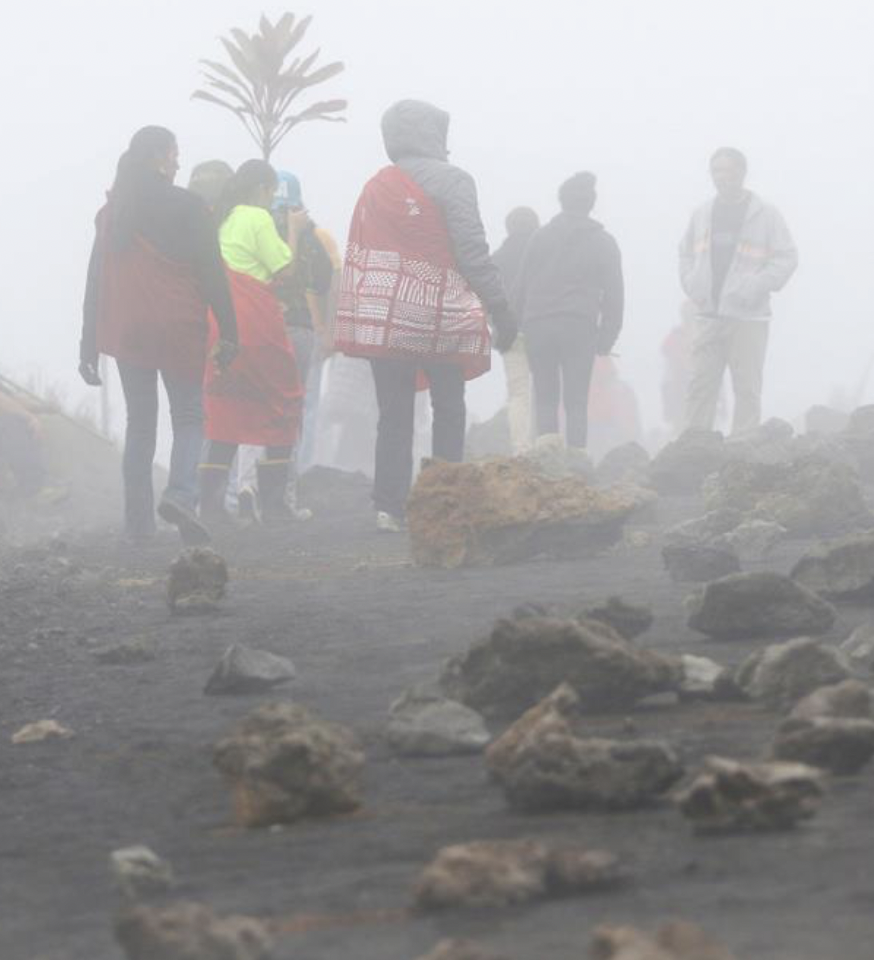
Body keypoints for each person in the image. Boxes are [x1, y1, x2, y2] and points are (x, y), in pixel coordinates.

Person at [335, 99, 517, 532]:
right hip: (440, 314)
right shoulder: (453, 180)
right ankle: (446, 500)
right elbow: (471, 252)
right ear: (433, 134)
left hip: (386, 317)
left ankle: (389, 507)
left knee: (393, 412)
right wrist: (501, 308)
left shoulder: (375, 185)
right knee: (449, 406)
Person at [80, 126, 238, 546]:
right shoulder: (189, 206)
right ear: (158, 157)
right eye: (174, 153)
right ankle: (181, 496)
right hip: (178, 326)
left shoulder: (116, 211)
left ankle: (138, 524)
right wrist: (231, 332)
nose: (178, 162)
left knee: (140, 423)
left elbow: (96, 278)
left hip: (130, 329)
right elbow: (212, 274)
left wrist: (87, 344)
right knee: (188, 416)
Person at [199, 159, 306, 525]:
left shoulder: (221, 219)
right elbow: (285, 268)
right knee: (283, 400)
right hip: (256, 321)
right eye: (272, 191)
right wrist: (294, 231)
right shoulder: (257, 218)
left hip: (219, 323)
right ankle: (275, 505)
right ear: (262, 189)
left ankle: (210, 506)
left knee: (225, 406)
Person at [235, 171, 334, 521]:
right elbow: (323, 279)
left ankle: (246, 486)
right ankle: (284, 497)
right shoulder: (306, 233)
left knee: (252, 406)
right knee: (289, 412)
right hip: (296, 327)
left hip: (256, 323)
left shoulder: (251, 226)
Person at [679, 148, 798, 435]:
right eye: (716, 171)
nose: (722, 177)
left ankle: (743, 453)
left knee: (746, 388)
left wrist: (755, 287)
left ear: (742, 172)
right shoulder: (702, 213)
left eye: (728, 170)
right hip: (708, 315)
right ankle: (695, 448)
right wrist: (692, 284)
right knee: (700, 385)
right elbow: (685, 254)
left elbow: (787, 257)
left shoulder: (764, 213)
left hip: (748, 318)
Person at [513, 172, 623, 450]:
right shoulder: (604, 242)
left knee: (546, 396)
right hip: (578, 326)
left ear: (561, 201)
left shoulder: (540, 237)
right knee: (576, 401)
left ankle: (548, 463)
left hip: (538, 324)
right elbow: (614, 295)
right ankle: (576, 463)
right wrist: (606, 338)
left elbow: (522, 284)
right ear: (591, 203)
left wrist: (514, 325)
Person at [493, 206, 539, 454]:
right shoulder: (545, 255)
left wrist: (496, 327)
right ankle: (546, 445)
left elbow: (488, 298)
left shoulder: (497, 259)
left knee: (518, 392)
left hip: (510, 333)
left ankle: (521, 448)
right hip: (542, 328)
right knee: (545, 388)